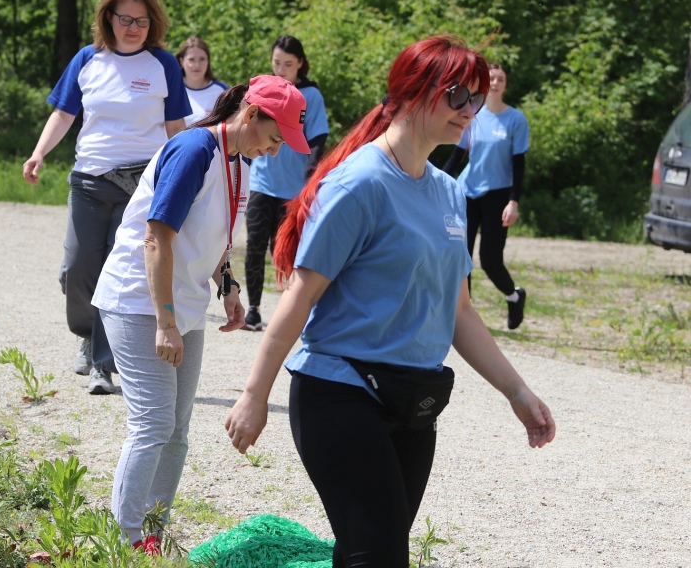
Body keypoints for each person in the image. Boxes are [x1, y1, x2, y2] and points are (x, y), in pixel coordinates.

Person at [224, 36, 555, 568]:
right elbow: (300, 297)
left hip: (413, 401)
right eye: (456, 96)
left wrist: (517, 391)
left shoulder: (450, 193)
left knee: (372, 552)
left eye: (474, 99)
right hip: (341, 394)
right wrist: (253, 395)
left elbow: (460, 313)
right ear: (411, 93)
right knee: (376, 557)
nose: (468, 111)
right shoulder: (358, 185)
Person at [92, 75, 311, 554]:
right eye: (275, 139)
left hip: (183, 304)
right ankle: (123, 541)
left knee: (177, 429)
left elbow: (212, 233)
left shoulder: (239, 162)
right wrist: (165, 322)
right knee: (152, 423)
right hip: (140, 300)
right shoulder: (194, 149)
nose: (276, 151)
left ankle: (152, 532)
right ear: (251, 114)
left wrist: (227, 284)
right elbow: (157, 237)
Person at [23, 0, 190, 395]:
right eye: (125, 19)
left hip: (141, 184)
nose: (133, 28)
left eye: (142, 20)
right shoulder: (87, 60)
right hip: (90, 180)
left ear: (153, 23)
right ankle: (85, 332)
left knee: (118, 273)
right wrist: (39, 152)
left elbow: (175, 129)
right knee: (77, 268)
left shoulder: (164, 64)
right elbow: (64, 114)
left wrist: (185, 175)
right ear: (108, 18)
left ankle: (103, 363)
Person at [243, 35, 329, 331]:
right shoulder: (266, 88)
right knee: (254, 243)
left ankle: (290, 309)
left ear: (300, 64)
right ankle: (252, 309)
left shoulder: (311, 96)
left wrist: (310, 176)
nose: (281, 69)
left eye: (288, 64)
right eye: (276, 62)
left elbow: (318, 138)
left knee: (283, 249)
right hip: (262, 180)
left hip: (293, 188)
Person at [441, 62, 530, 329]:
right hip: (468, 193)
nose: (494, 82)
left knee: (490, 260)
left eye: (500, 78)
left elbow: (519, 164)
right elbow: (457, 157)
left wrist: (514, 201)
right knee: (461, 256)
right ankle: (461, 315)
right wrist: (433, 183)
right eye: (491, 77)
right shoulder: (474, 115)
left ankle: (514, 296)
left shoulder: (515, 119)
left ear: (505, 84)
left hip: (498, 196)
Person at [175, 36, 230, 126]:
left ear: (208, 60)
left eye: (202, 59)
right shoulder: (173, 89)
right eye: (191, 60)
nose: (197, 65)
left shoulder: (221, 90)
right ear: (181, 61)